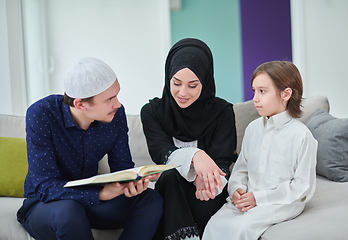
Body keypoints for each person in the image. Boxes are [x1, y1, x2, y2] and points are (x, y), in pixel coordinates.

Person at [17, 57, 163, 240]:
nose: (117, 104)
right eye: (109, 99)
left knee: (150, 200)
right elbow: (45, 186)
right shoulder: (41, 114)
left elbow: (122, 168)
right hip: (48, 205)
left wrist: (133, 182)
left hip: (93, 204)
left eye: (117, 95)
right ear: (80, 104)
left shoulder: (115, 115)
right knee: (69, 211)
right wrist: (100, 193)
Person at [202, 61, 318, 239]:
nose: (255, 98)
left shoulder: (301, 136)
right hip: (248, 199)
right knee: (215, 224)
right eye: (254, 91)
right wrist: (237, 189)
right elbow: (241, 169)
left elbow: (302, 187)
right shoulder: (252, 129)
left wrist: (259, 198)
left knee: (242, 228)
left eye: (262, 91)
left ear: (286, 94)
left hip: (281, 202)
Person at [140, 38, 237, 240]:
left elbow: (223, 160)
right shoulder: (152, 112)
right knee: (170, 176)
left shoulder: (222, 112)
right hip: (170, 189)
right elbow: (162, 154)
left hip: (208, 192)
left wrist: (209, 181)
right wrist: (196, 156)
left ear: (206, 80)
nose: (182, 93)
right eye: (176, 83)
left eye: (192, 85)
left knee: (195, 192)